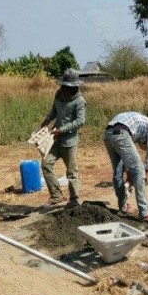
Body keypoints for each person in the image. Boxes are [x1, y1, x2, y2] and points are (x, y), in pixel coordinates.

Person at [40, 68, 86, 208]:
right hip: (56, 138)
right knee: (46, 164)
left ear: (74, 87)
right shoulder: (59, 94)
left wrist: (62, 129)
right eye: (64, 86)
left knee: (71, 172)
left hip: (69, 142)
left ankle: (74, 199)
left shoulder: (79, 100)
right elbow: (54, 110)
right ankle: (56, 196)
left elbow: (80, 121)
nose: (65, 89)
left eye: (68, 87)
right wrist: (46, 121)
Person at [103, 112, 148, 224]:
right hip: (121, 132)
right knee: (139, 171)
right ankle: (144, 213)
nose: (141, 144)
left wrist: (128, 170)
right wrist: (146, 168)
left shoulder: (137, 125)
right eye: (142, 143)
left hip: (108, 133)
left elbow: (124, 152)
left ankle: (122, 207)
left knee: (118, 172)